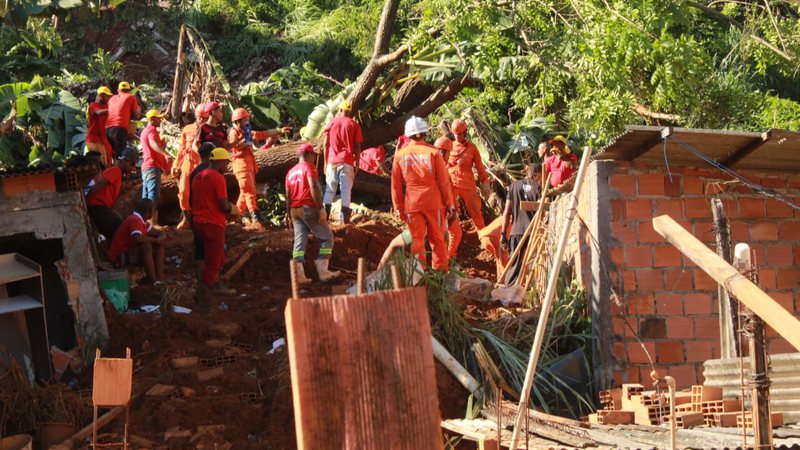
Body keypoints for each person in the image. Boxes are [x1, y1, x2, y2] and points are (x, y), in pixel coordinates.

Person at [391, 116, 454, 271]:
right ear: (425, 132)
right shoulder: (433, 153)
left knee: (416, 241)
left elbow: (396, 186)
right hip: (434, 203)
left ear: (408, 135)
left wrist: (398, 207)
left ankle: (420, 275)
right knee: (438, 241)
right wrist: (449, 204)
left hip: (412, 204)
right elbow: (443, 182)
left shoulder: (400, 155)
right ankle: (440, 275)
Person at [191, 148, 239, 312]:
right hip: (213, 224)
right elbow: (223, 204)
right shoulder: (217, 177)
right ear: (219, 161)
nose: (226, 165)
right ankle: (203, 299)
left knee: (217, 259)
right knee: (212, 264)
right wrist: (233, 209)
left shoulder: (198, 176)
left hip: (198, 223)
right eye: (225, 162)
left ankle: (214, 286)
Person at [285, 144, 340, 283]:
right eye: (314, 155)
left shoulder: (290, 172)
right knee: (327, 238)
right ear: (310, 155)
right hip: (308, 207)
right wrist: (320, 208)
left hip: (294, 210)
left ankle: (299, 275)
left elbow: (288, 196)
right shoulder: (309, 167)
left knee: (300, 241)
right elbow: (313, 186)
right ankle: (323, 270)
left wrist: (288, 214)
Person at [228, 107, 291, 229]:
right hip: (241, 165)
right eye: (245, 120)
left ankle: (237, 216)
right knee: (249, 191)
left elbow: (261, 134)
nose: (247, 122)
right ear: (238, 121)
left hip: (249, 164)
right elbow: (237, 146)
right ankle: (255, 216)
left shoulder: (246, 131)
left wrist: (278, 130)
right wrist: (246, 139)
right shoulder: (234, 133)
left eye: (247, 119)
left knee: (244, 192)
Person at [446, 118, 490, 256]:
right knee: (452, 214)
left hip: (468, 185)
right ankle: (451, 244)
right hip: (451, 184)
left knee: (476, 212)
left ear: (465, 133)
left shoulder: (472, 149)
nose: (457, 136)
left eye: (460, 134)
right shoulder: (449, 147)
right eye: (455, 134)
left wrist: (485, 183)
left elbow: (480, 168)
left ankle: (484, 240)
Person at [85, 148, 139, 240]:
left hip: (100, 208)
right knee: (120, 229)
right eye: (131, 164)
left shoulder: (117, 173)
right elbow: (98, 186)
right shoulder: (115, 170)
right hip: (96, 208)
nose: (132, 168)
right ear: (124, 161)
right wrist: (85, 203)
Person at [323, 100, 362, 224]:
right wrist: (357, 163)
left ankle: (324, 219)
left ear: (340, 110)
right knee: (346, 192)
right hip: (347, 162)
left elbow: (325, 144)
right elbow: (357, 146)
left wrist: (325, 163)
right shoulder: (354, 125)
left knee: (329, 191)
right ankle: (343, 222)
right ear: (350, 111)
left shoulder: (331, 123)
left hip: (332, 162)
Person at [501, 163, 541, 284]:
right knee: (532, 267)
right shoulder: (539, 187)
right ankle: (524, 296)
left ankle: (508, 295)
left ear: (527, 171)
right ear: (538, 174)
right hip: (532, 233)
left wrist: (503, 234)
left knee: (514, 267)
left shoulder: (513, 186)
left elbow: (507, 212)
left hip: (516, 232)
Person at [109, 199, 166, 285]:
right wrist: (154, 240)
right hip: (118, 259)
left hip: (128, 254)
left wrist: (160, 239)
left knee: (158, 246)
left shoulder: (142, 222)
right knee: (146, 247)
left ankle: (159, 278)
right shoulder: (134, 220)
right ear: (149, 212)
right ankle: (153, 280)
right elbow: (137, 238)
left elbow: (159, 233)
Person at [172, 104, 208, 229]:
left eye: (204, 118)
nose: (201, 120)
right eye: (199, 117)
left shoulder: (209, 130)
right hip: (188, 163)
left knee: (201, 193)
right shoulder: (187, 129)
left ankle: (201, 218)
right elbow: (181, 149)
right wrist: (176, 165)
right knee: (183, 191)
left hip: (202, 164)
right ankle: (187, 217)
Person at [140, 109, 172, 227]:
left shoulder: (144, 131)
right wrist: (165, 153)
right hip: (152, 166)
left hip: (146, 167)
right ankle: (152, 222)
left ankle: (144, 222)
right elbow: (153, 143)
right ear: (152, 119)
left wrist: (161, 146)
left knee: (146, 195)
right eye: (158, 118)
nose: (160, 120)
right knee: (153, 195)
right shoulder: (152, 130)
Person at [104, 81, 141, 159]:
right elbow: (136, 116)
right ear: (129, 90)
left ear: (118, 90)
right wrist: (139, 110)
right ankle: (119, 170)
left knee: (111, 155)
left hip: (107, 129)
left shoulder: (111, 98)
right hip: (119, 129)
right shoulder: (130, 97)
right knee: (120, 156)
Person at [85, 86, 113, 165]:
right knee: (101, 162)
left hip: (103, 138)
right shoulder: (92, 106)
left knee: (108, 157)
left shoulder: (106, 106)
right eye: (107, 96)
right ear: (101, 95)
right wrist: (113, 110)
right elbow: (98, 113)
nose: (108, 98)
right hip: (94, 139)